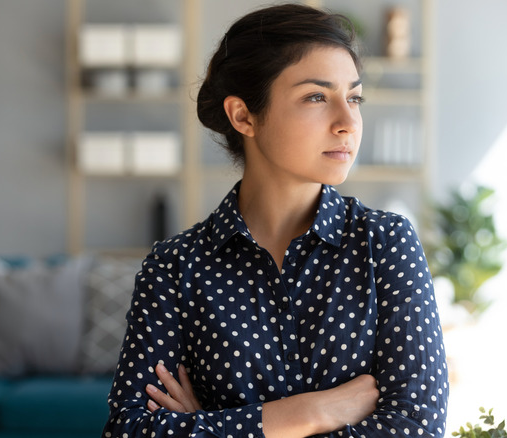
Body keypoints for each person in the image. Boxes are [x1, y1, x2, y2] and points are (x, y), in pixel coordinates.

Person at [101, 4, 448, 437]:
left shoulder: (385, 244)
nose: (348, 123)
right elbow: (129, 431)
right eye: (316, 97)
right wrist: (311, 413)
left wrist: (206, 426)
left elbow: (415, 427)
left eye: (354, 97)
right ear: (243, 115)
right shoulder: (173, 268)